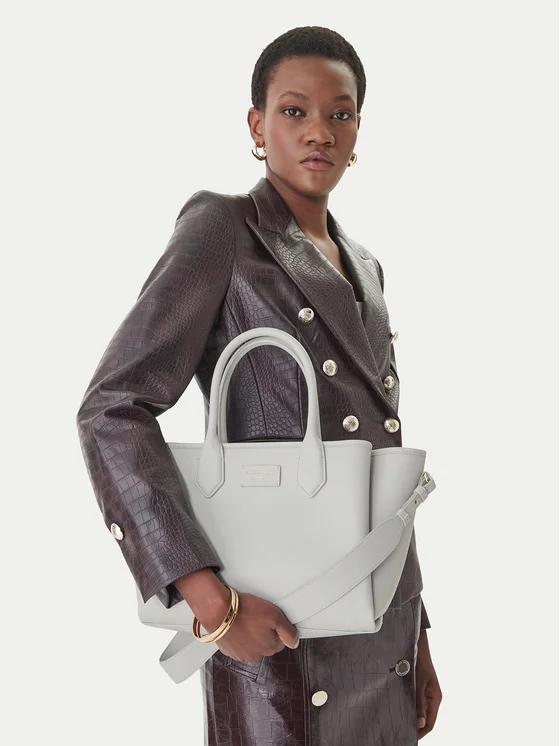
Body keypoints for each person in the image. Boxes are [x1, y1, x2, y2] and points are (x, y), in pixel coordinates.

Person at [76, 25, 442, 746]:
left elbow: (377, 462)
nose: (319, 132)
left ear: (358, 131)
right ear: (256, 124)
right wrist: (210, 602)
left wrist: (418, 631)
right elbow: (112, 408)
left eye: (340, 113)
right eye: (294, 110)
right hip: (276, 633)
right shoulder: (223, 227)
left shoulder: (365, 266)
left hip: (380, 636)